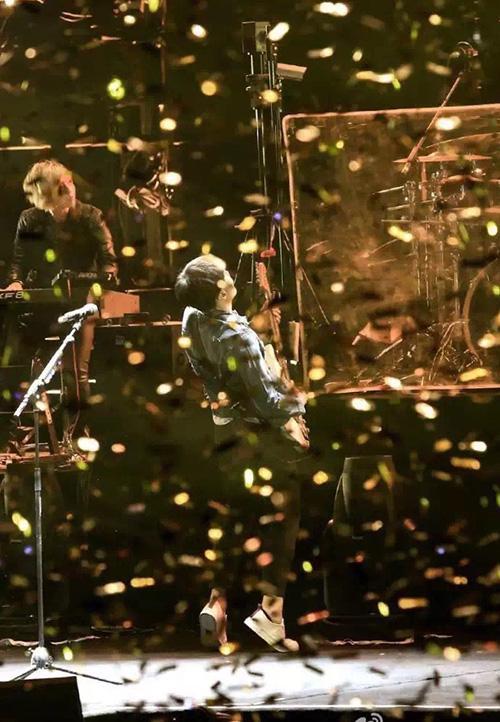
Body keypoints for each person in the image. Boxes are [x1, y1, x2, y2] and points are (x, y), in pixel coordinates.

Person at [175, 254, 309, 653]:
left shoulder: (192, 317)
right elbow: (267, 400)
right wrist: (297, 413)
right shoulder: (240, 338)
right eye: (227, 274)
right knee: (283, 515)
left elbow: (222, 364)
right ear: (221, 290)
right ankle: (271, 613)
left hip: (227, 433)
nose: (232, 275)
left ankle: (216, 603)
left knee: (236, 515)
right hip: (260, 436)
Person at [3, 159, 118, 435]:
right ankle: (22, 428)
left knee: (76, 372)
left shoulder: (91, 217)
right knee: (19, 360)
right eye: (61, 186)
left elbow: (109, 264)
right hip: (42, 303)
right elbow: (18, 262)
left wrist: (96, 284)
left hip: (82, 301)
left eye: (69, 182)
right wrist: (15, 282)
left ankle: (76, 436)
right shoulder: (30, 219)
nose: (70, 188)